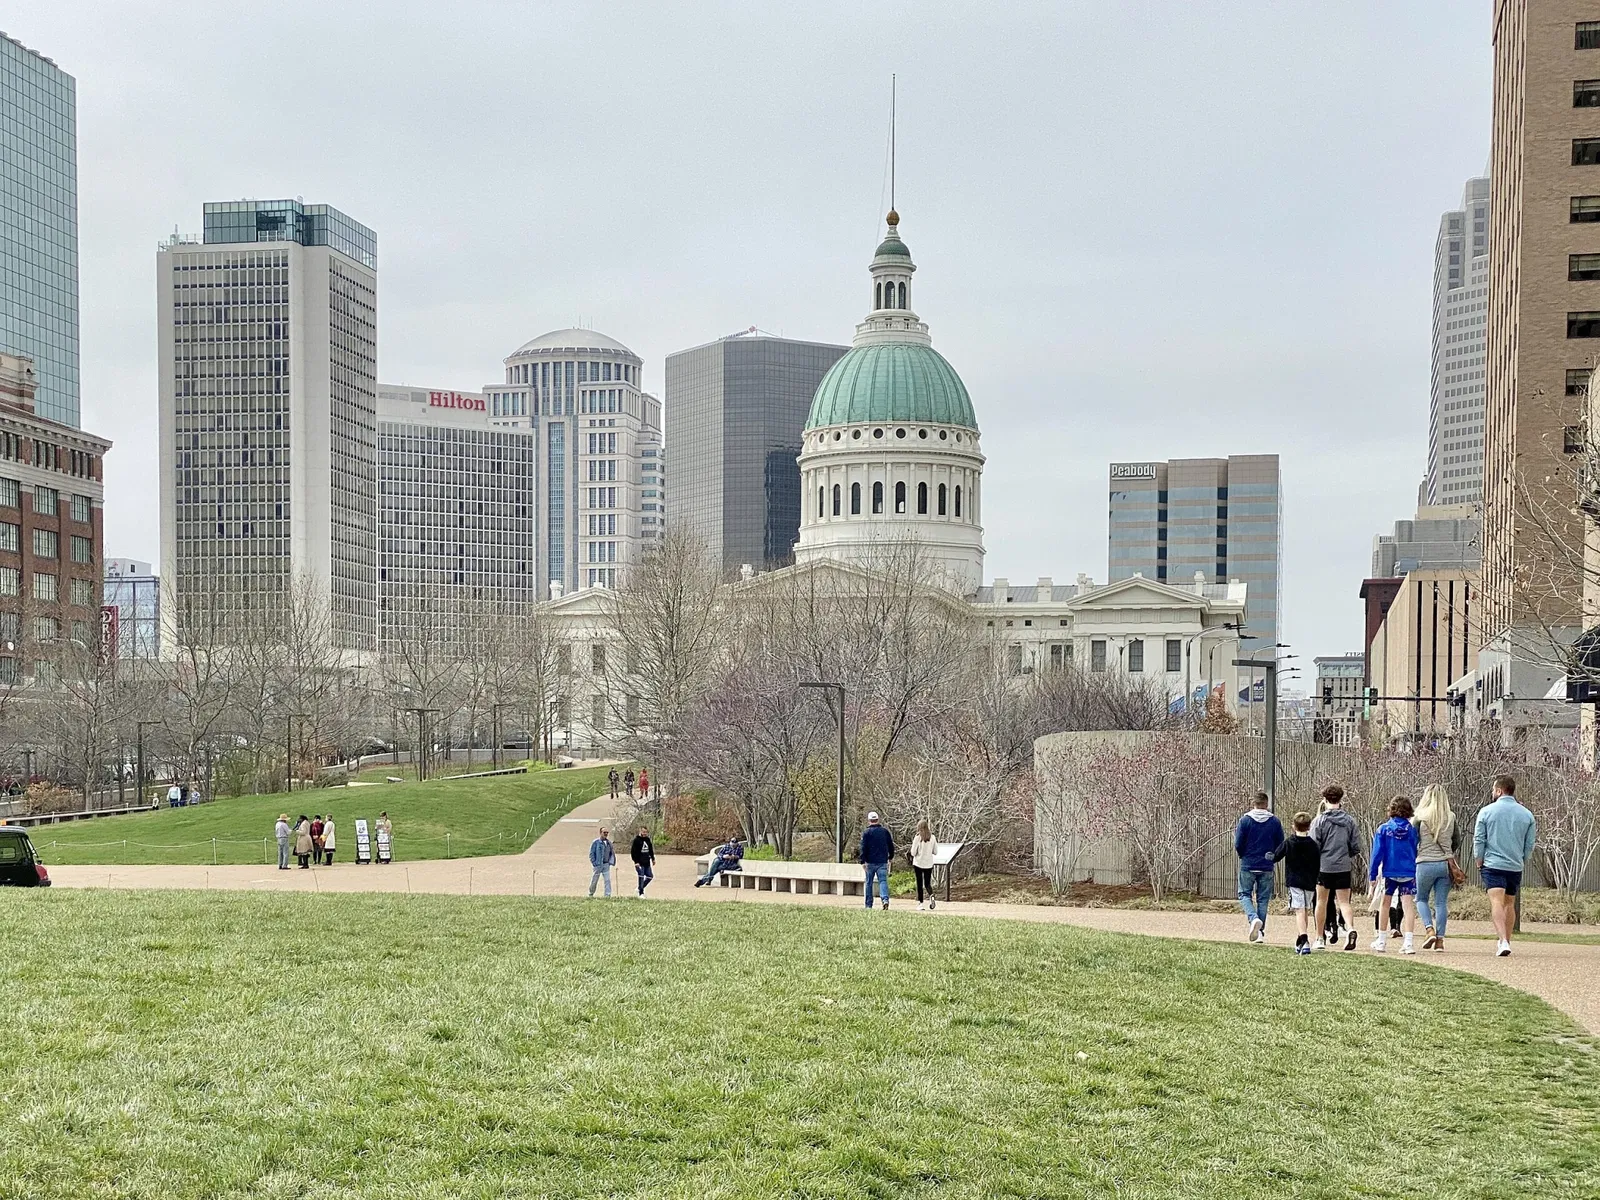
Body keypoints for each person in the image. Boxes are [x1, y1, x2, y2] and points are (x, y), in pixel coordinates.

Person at [1474, 774, 1537, 958]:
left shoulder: (1486, 812)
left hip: (1493, 863)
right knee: (1510, 902)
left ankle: (1502, 940)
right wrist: (1523, 859)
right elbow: (1529, 843)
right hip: (1514, 865)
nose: (1492, 793)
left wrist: (1479, 858)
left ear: (1499, 790)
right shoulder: (1527, 815)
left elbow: (1479, 839)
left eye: (1494, 790)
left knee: (1496, 901)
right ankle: (1507, 939)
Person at [1310, 784, 1361, 951]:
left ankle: (1319, 937)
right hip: (1343, 866)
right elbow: (1355, 845)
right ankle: (1350, 928)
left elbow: (1313, 846)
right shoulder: (1349, 821)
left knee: (1321, 901)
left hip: (1324, 866)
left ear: (1324, 800)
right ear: (1341, 799)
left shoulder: (1319, 821)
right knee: (1344, 902)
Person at [1368, 796, 1421, 954]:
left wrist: (1372, 875)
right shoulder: (1412, 831)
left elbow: (1377, 854)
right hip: (1408, 871)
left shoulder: (1383, 829)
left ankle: (1382, 940)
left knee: (1385, 904)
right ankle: (1409, 943)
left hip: (1390, 872)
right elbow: (1415, 849)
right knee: (1408, 905)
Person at [1414, 784, 1461, 951]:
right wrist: (1448, 852)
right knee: (1441, 903)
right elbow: (1457, 840)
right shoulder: (1450, 817)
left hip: (1425, 863)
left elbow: (1413, 841)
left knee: (1421, 899)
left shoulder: (1419, 817)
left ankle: (1429, 929)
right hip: (1445, 864)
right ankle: (1440, 941)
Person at [1234, 791, 1283, 943]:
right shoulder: (1274, 821)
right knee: (1263, 899)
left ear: (1253, 803)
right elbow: (1280, 842)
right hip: (1266, 865)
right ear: (1266, 804)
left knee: (1244, 895)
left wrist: (1243, 855)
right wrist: (1273, 857)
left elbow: (1238, 843)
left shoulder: (1245, 821)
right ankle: (1260, 932)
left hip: (1248, 863)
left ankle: (1253, 918)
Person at [1272, 811, 1321, 954]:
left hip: (1295, 881)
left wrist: (1268, 856)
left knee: (1299, 910)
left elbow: (1276, 856)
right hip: (1310, 882)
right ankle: (1300, 939)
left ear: (1293, 826)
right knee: (1305, 909)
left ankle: (1304, 939)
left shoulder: (1289, 843)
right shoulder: (1313, 845)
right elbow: (1317, 864)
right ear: (1309, 827)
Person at [859, 811, 894, 911]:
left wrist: (862, 860)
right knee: (883, 881)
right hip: (882, 861)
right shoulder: (884, 832)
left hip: (869, 862)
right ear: (878, 820)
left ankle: (869, 905)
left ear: (869, 821)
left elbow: (863, 847)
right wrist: (890, 857)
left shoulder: (866, 833)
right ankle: (885, 900)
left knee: (869, 883)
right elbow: (890, 845)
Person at [909, 818, 939, 911]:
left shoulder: (918, 837)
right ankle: (931, 895)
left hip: (918, 863)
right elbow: (935, 851)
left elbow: (913, 852)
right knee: (927, 883)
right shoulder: (932, 837)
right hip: (928, 863)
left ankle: (921, 903)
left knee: (919, 883)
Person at [588, 826, 616, 897]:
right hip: (598, 865)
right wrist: (594, 863)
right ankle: (591, 893)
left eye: (607, 832)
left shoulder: (609, 843)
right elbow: (591, 854)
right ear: (600, 833)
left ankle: (607, 895)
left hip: (606, 864)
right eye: (604, 832)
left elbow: (611, 853)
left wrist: (611, 861)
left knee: (607, 880)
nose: (606, 834)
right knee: (594, 880)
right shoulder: (596, 842)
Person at [630, 825, 655, 896]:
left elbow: (650, 850)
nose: (644, 833)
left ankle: (639, 888)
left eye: (646, 832)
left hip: (647, 862)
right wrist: (636, 862)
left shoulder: (648, 840)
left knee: (650, 876)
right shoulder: (636, 840)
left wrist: (653, 858)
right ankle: (641, 893)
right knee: (641, 876)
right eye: (643, 832)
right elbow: (633, 852)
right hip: (639, 863)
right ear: (640, 831)